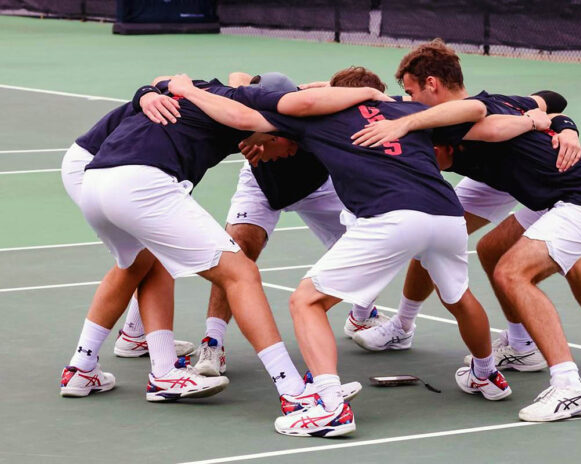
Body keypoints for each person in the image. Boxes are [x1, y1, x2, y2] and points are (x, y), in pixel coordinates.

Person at [167, 67, 551, 436]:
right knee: (459, 298)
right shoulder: (409, 108)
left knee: (307, 302)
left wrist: (189, 90)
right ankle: (485, 375)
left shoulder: (316, 119)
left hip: (392, 216)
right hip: (446, 214)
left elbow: (240, 109)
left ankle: (330, 407)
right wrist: (541, 122)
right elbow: (477, 110)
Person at [61, 75, 381, 405]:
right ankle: (294, 392)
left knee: (141, 265)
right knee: (241, 274)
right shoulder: (249, 105)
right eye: (293, 142)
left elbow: (165, 80)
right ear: (274, 130)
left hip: (97, 183)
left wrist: (148, 92)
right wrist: (371, 93)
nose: (292, 152)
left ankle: (87, 367)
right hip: (140, 182)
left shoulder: (206, 91)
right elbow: (296, 105)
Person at [352, 58, 581, 421]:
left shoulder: (471, 113)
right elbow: (548, 102)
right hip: (519, 185)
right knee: (455, 238)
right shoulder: (472, 111)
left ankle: (576, 382)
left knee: (514, 273)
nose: (408, 96)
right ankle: (516, 346)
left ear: (432, 83)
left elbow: (499, 122)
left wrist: (563, 128)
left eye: (412, 89)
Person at [194, 69, 388, 378]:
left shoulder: (328, 117)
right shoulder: (272, 107)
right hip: (262, 184)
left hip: (319, 188)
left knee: (371, 241)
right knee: (236, 251)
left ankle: (362, 315)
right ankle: (213, 343)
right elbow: (238, 76)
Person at [61, 89, 196, 361]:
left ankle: (133, 337)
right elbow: (156, 84)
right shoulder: (202, 109)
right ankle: (84, 364)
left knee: (152, 255)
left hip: (123, 168)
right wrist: (144, 93)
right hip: (93, 165)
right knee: (141, 259)